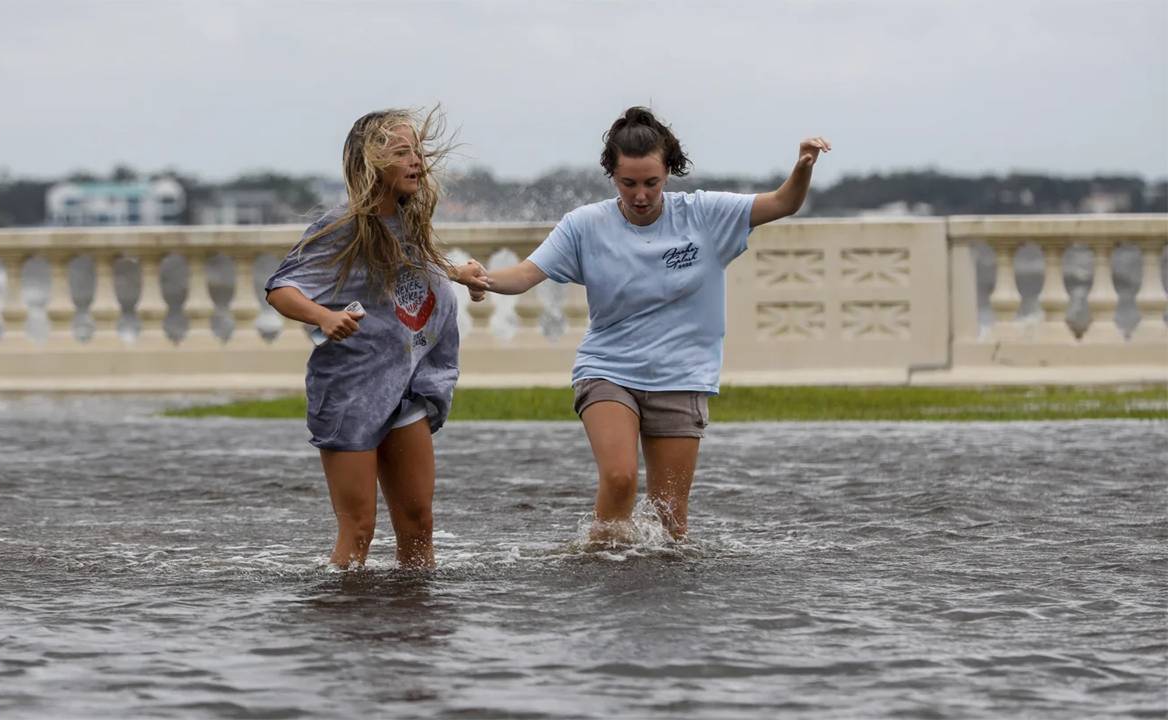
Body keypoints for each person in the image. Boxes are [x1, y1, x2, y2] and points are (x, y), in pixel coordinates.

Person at [469, 106, 830, 543]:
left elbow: (784, 202)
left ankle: (657, 604)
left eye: (651, 183)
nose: (640, 195)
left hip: (681, 376)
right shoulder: (585, 225)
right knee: (620, 479)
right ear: (612, 177)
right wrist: (483, 278)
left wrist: (802, 167)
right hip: (608, 370)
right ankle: (597, 569)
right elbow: (525, 275)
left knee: (671, 522)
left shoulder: (705, 215)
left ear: (669, 173)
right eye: (628, 184)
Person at [265, 108, 488, 569]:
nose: (416, 162)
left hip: (405, 388)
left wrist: (457, 272)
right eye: (402, 152)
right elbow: (281, 289)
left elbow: (412, 264)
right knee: (359, 529)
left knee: (419, 523)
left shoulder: (408, 221)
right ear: (371, 163)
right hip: (350, 392)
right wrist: (323, 317)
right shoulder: (342, 226)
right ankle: (345, 627)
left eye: (418, 152)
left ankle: (414, 628)